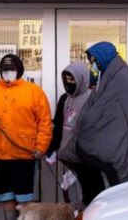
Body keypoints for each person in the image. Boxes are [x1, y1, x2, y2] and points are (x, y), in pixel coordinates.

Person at [62, 42, 128, 188]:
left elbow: (110, 110)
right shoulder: (111, 76)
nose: (93, 66)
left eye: (94, 62)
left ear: (102, 59)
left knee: (127, 180)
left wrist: (89, 123)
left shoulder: (120, 78)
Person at [0, 54, 52, 220]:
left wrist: (41, 146)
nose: (8, 73)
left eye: (12, 69)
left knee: (24, 199)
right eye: (5, 70)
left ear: (19, 70)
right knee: (6, 198)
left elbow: (45, 122)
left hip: (25, 155)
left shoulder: (34, 92)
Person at [46, 62, 103, 210]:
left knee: (92, 198)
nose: (69, 83)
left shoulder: (93, 98)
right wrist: (52, 149)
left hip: (88, 159)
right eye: (66, 79)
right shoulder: (65, 99)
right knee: (73, 199)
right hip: (68, 159)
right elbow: (59, 126)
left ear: (82, 78)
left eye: (72, 79)